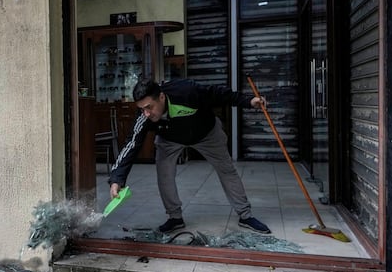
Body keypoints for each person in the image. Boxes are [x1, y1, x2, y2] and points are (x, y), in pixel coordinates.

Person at [108, 78, 271, 234]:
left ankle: (245, 215)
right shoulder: (144, 116)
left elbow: (218, 93)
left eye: (149, 107)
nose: (146, 113)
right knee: (164, 174)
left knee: (227, 170)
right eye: (142, 108)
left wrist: (248, 101)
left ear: (162, 97)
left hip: (206, 133)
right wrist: (117, 178)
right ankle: (175, 217)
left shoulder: (186, 91)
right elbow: (132, 143)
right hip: (170, 139)